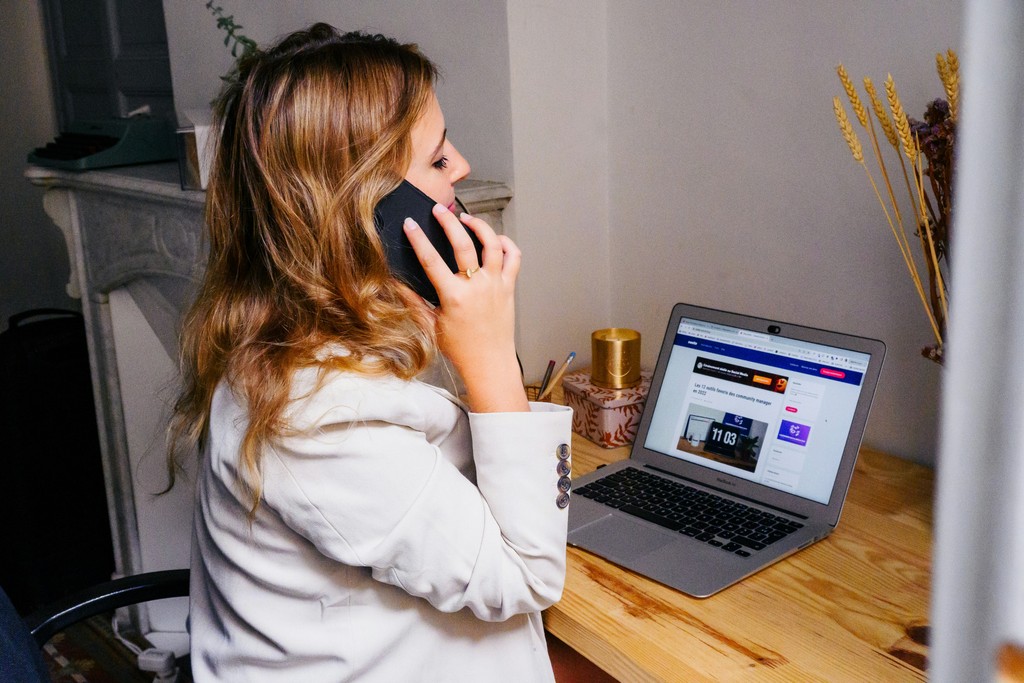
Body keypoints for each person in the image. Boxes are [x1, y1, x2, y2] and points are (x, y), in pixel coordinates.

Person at [168, 22, 574, 682]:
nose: (463, 167)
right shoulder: (315, 418)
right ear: (366, 214)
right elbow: (524, 576)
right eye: (438, 160)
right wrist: (492, 356)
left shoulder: (287, 341)